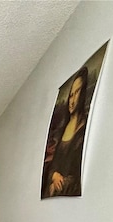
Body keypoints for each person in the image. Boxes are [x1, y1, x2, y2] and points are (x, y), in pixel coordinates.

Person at [42, 67, 89, 198]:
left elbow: (76, 174)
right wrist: (54, 175)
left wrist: (58, 183)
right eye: (71, 95)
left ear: (83, 94)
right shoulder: (62, 129)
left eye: (77, 92)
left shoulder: (83, 131)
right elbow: (52, 166)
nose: (72, 100)